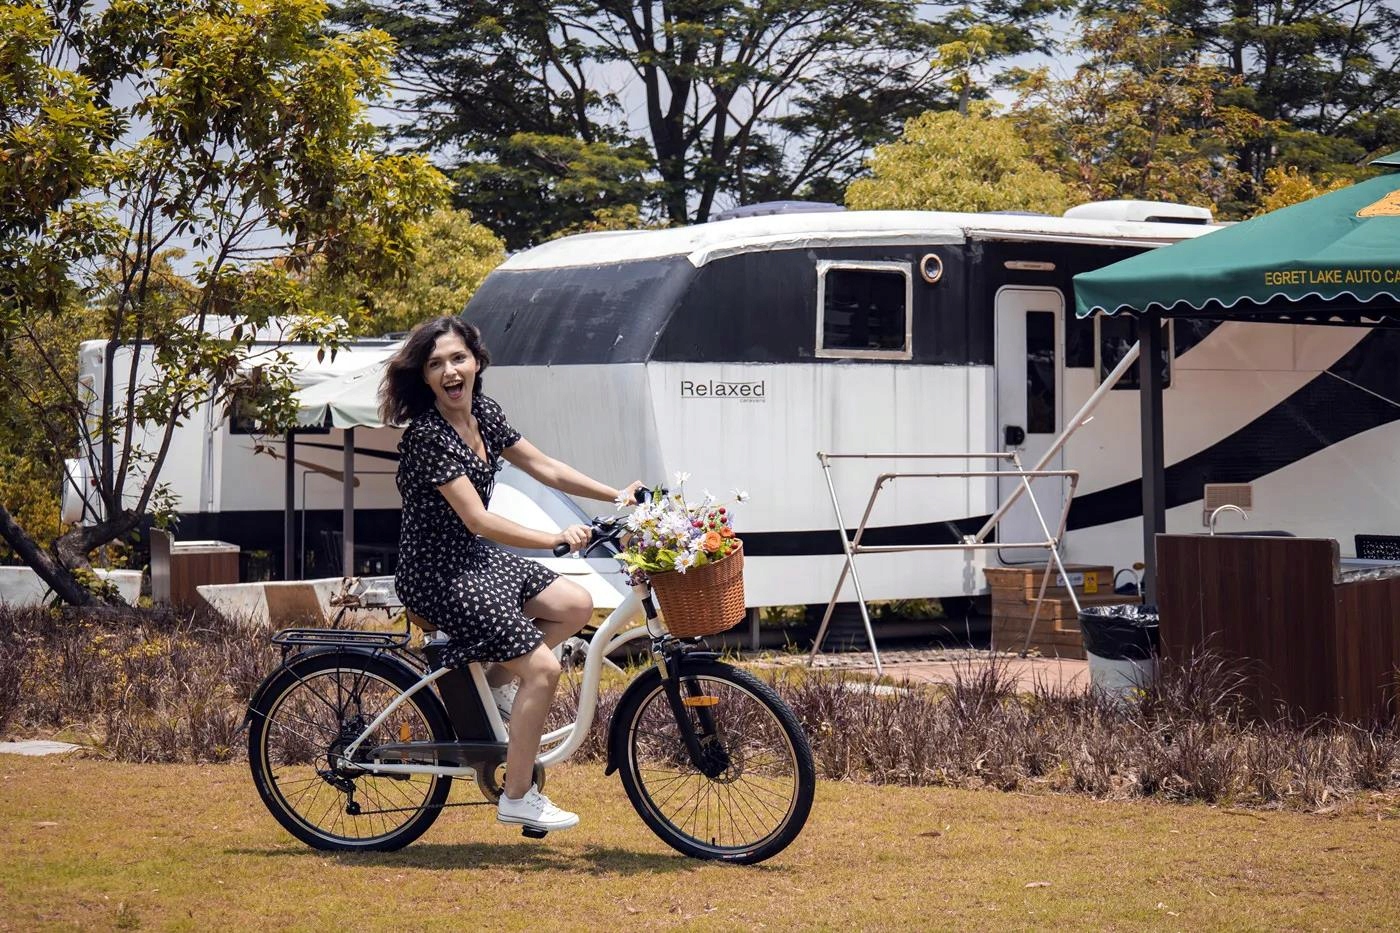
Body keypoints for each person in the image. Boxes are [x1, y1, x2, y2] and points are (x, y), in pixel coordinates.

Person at [379, 316, 639, 833]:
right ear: (424, 378)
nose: (450, 372)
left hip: (472, 559)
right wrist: (554, 538)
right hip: (435, 574)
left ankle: (491, 688)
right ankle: (517, 796)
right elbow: (477, 519)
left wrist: (616, 495)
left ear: (476, 362)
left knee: (575, 604)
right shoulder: (428, 436)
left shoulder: (484, 413)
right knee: (542, 670)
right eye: (435, 364)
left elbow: (545, 467)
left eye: (458, 358)